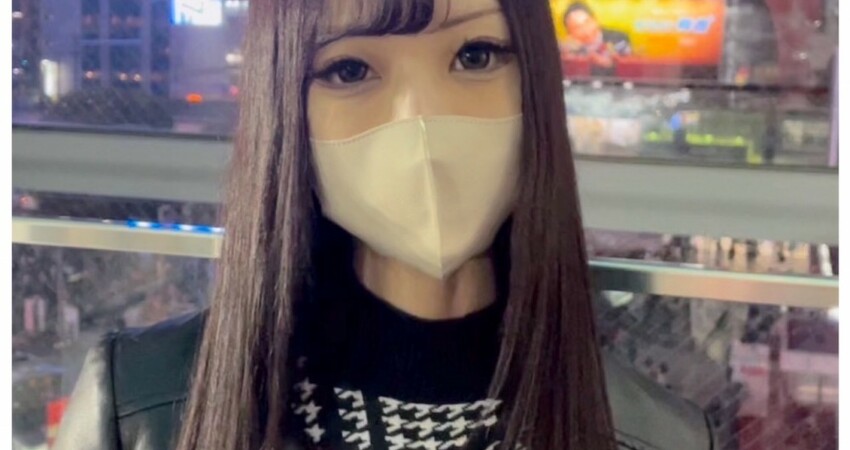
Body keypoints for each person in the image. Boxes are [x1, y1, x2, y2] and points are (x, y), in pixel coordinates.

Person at [54, 1, 713, 449]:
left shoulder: (661, 436)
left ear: (535, 82)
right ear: (287, 108)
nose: (420, 121)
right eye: (349, 69)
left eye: (476, 55)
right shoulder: (138, 399)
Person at [562, 2, 632, 75]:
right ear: (570, 33)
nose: (585, 30)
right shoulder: (569, 50)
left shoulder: (619, 38)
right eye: (577, 28)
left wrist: (608, 63)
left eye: (587, 22)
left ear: (595, 20)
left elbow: (626, 67)